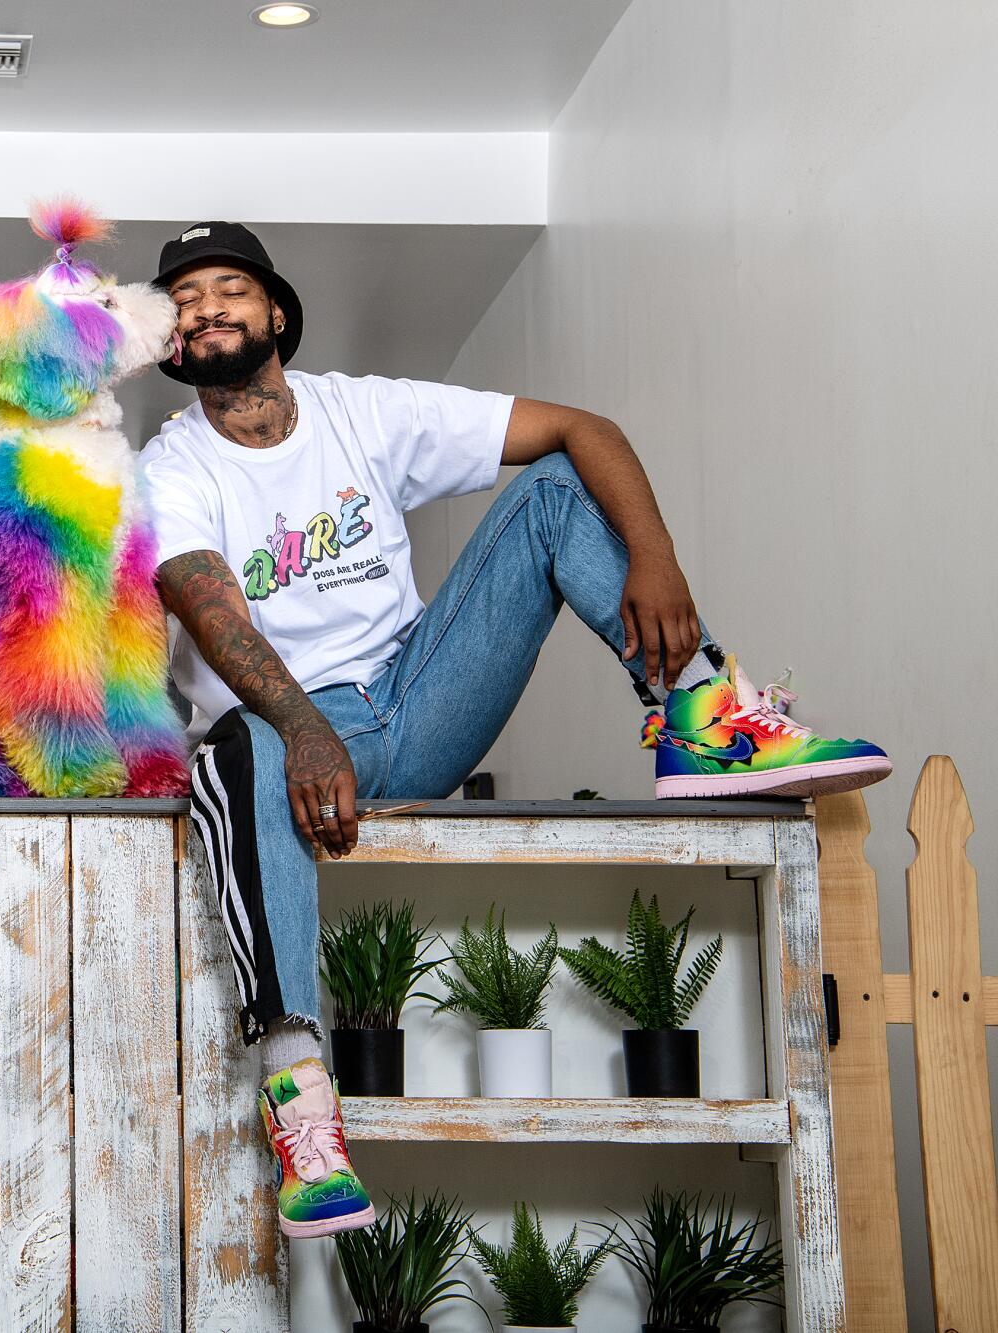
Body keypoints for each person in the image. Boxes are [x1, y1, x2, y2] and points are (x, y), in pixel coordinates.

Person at [140, 222, 891, 1239]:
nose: (205, 310)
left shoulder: (365, 410)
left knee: (547, 493)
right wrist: (304, 725)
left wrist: (654, 559)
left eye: (226, 287)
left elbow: (586, 430)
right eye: (181, 302)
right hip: (295, 743)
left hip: (419, 697)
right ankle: (300, 1108)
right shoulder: (171, 463)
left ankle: (704, 714)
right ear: (165, 342)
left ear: (275, 313)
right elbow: (197, 588)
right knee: (229, 747)